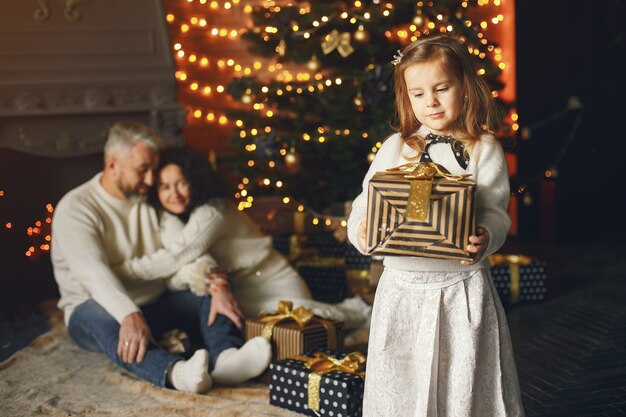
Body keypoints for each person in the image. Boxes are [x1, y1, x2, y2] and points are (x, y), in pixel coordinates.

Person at [347, 34, 524, 416]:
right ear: (406, 97)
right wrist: (361, 229)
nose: (431, 102)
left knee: (462, 382)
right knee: (401, 381)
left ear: (465, 87)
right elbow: (366, 201)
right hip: (401, 289)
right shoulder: (397, 146)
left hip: (460, 289)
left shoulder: (483, 147)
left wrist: (487, 236)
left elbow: (495, 210)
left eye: (442, 88)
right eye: (418, 93)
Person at [51, 121, 271, 395]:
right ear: (112, 165)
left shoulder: (146, 199)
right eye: (143, 170)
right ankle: (175, 373)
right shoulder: (76, 208)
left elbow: (187, 249)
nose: (151, 180)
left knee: (205, 292)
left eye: (153, 170)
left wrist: (217, 283)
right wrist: (128, 314)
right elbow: (93, 274)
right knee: (100, 316)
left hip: (154, 304)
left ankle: (227, 358)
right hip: (94, 309)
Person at [112, 145, 372, 332]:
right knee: (227, 317)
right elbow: (185, 266)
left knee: (294, 323)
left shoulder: (212, 212)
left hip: (276, 284)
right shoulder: (180, 217)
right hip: (243, 289)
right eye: (164, 187)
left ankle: (357, 312)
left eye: (181, 183)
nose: (174, 195)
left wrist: (121, 270)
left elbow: (176, 257)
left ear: (195, 180)